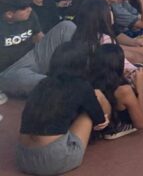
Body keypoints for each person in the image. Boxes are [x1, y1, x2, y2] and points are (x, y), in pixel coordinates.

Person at [16, 41, 110, 176]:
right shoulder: (82, 86)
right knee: (97, 96)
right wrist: (102, 119)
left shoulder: (42, 83)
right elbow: (99, 119)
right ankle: (112, 129)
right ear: (83, 63)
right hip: (54, 160)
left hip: (23, 157)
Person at [0, 0, 77, 98]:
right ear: (9, 14)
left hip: (33, 56)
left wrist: (50, 50)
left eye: (29, 6)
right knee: (48, 85)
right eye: (24, 8)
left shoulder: (30, 15)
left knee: (67, 26)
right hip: (11, 71)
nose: (29, 9)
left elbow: (39, 36)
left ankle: (79, 67)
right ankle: (63, 87)